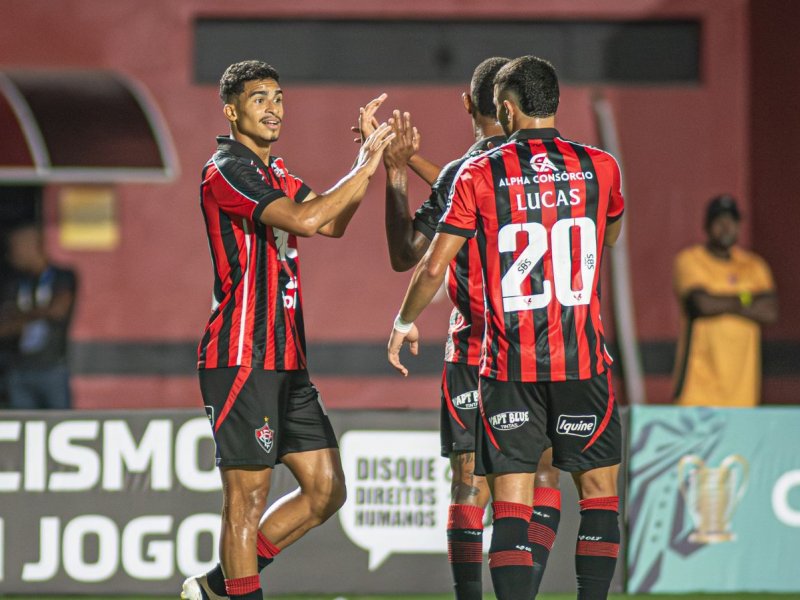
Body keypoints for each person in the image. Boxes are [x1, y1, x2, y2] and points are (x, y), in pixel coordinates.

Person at [387, 56, 624, 600]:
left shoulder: (478, 173)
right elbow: (609, 236)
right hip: (583, 360)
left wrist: (403, 320)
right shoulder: (600, 166)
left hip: (507, 362)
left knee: (506, 500)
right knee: (599, 495)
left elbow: (425, 263)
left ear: (505, 108)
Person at [181, 60, 394, 600]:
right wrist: (366, 165)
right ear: (231, 110)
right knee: (245, 502)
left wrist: (363, 164)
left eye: (278, 97)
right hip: (241, 355)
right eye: (259, 98)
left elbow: (332, 220)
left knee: (326, 491)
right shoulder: (226, 168)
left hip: (287, 359)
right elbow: (304, 220)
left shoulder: (277, 173)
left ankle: (213, 588)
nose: (273, 107)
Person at [367, 57, 561, 599]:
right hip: (549, 347)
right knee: (542, 479)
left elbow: (408, 254)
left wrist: (399, 171)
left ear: (467, 104)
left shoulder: (464, 173)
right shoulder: (560, 168)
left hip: (476, 350)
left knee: (470, 484)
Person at [672, 194, 778, 406]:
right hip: (697, 390)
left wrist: (720, 300)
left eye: (732, 221)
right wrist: (748, 298)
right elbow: (702, 304)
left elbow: (769, 311)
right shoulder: (691, 260)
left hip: (743, 393)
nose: (726, 227)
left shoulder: (754, 265)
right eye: (719, 221)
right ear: (707, 225)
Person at [0, 224, 77, 409]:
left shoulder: (62, 276)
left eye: (17, 247)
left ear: (35, 246)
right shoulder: (14, 283)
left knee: (58, 421)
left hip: (52, 367)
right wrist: (41, 312)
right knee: (22, 426)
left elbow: (58, 310)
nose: (12, 254)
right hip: (19, 368)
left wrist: (19, 316)